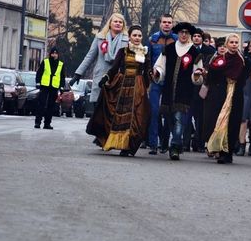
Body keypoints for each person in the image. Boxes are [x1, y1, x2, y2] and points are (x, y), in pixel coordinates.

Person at [86, 25, 151, 156]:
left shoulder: (144, 52)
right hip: (122, 85)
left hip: (137, 86)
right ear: (130, 37)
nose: (137, 38)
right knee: (117, 115)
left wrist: (149, 81)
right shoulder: (123, 51)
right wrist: (106, 77)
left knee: (136, 116)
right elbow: (115, 67)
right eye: (134, 35)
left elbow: (147, 71)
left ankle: (127, 146)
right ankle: (114, 141)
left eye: (139, 36)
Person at [152, 22, 204, 160]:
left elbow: (197, 74)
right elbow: (160, 67)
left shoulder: (194, 52)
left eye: (187, 33)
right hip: (169, 90)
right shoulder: (168, 49)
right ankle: (177, 142)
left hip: (184, 92)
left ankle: (174, 146)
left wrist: (197, 75)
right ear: (178, 34)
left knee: (179, 119)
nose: (184, 35)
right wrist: (157, 72)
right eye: (182, 32)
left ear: (189, 35)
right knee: (169, 119)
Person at [203, 33, 246, 164]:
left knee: (233, 123)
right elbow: (212, 75)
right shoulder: (220, 59)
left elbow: (245, 76)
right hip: (220, 94)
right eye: (231, 42)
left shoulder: (241, 60)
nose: (233, 45)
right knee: (220, 121)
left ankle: (229, 152)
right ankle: (219, 150)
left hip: (236, 95)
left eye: (235, 42)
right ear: (227, 44)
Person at [70, 13, 129, 105]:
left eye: (120, 22)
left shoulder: (127, 40)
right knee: (97, 110)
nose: (118, 23)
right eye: (115, 21)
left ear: (123, 25)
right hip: (100, 77)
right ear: (110, 23)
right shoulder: (100, 37)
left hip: (117, 78)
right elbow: (90, 56)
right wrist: (78, 73)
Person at [147, 14, 178, 155]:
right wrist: (150, 75)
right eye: (164, 22)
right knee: (154, 112)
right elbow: (148, 60)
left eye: (169, 22)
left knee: (169, 114)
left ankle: (165, 142)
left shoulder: (177, 40)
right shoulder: (153, 40)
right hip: (156, 82)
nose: (166, 24)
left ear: (172, 24)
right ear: (160, 23)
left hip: (171, 84)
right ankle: (153, 143)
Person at [183, 28, 216, 152]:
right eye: (195, 36)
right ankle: (185, 143)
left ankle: (200, 143)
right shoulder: (187, 50)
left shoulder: (210, 51)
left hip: (203, 88)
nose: (196, 38)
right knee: (187, 117)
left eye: (199, 36)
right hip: (189, 88)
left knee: (200, 118)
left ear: (202, 38)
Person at [35, 47, 66, 129]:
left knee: (51, 106)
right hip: (44, 86)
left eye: (56, 53)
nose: (54, 55)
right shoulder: (45, 62)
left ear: (58, 55)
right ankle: (37, 122)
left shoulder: (60, 64)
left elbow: (62, 77)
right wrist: (38, 83)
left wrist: (62, 87)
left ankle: (47, 123)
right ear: (50, 54)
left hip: (54, 87)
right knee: (41, 104)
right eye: (53, 53)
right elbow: (39, 73)